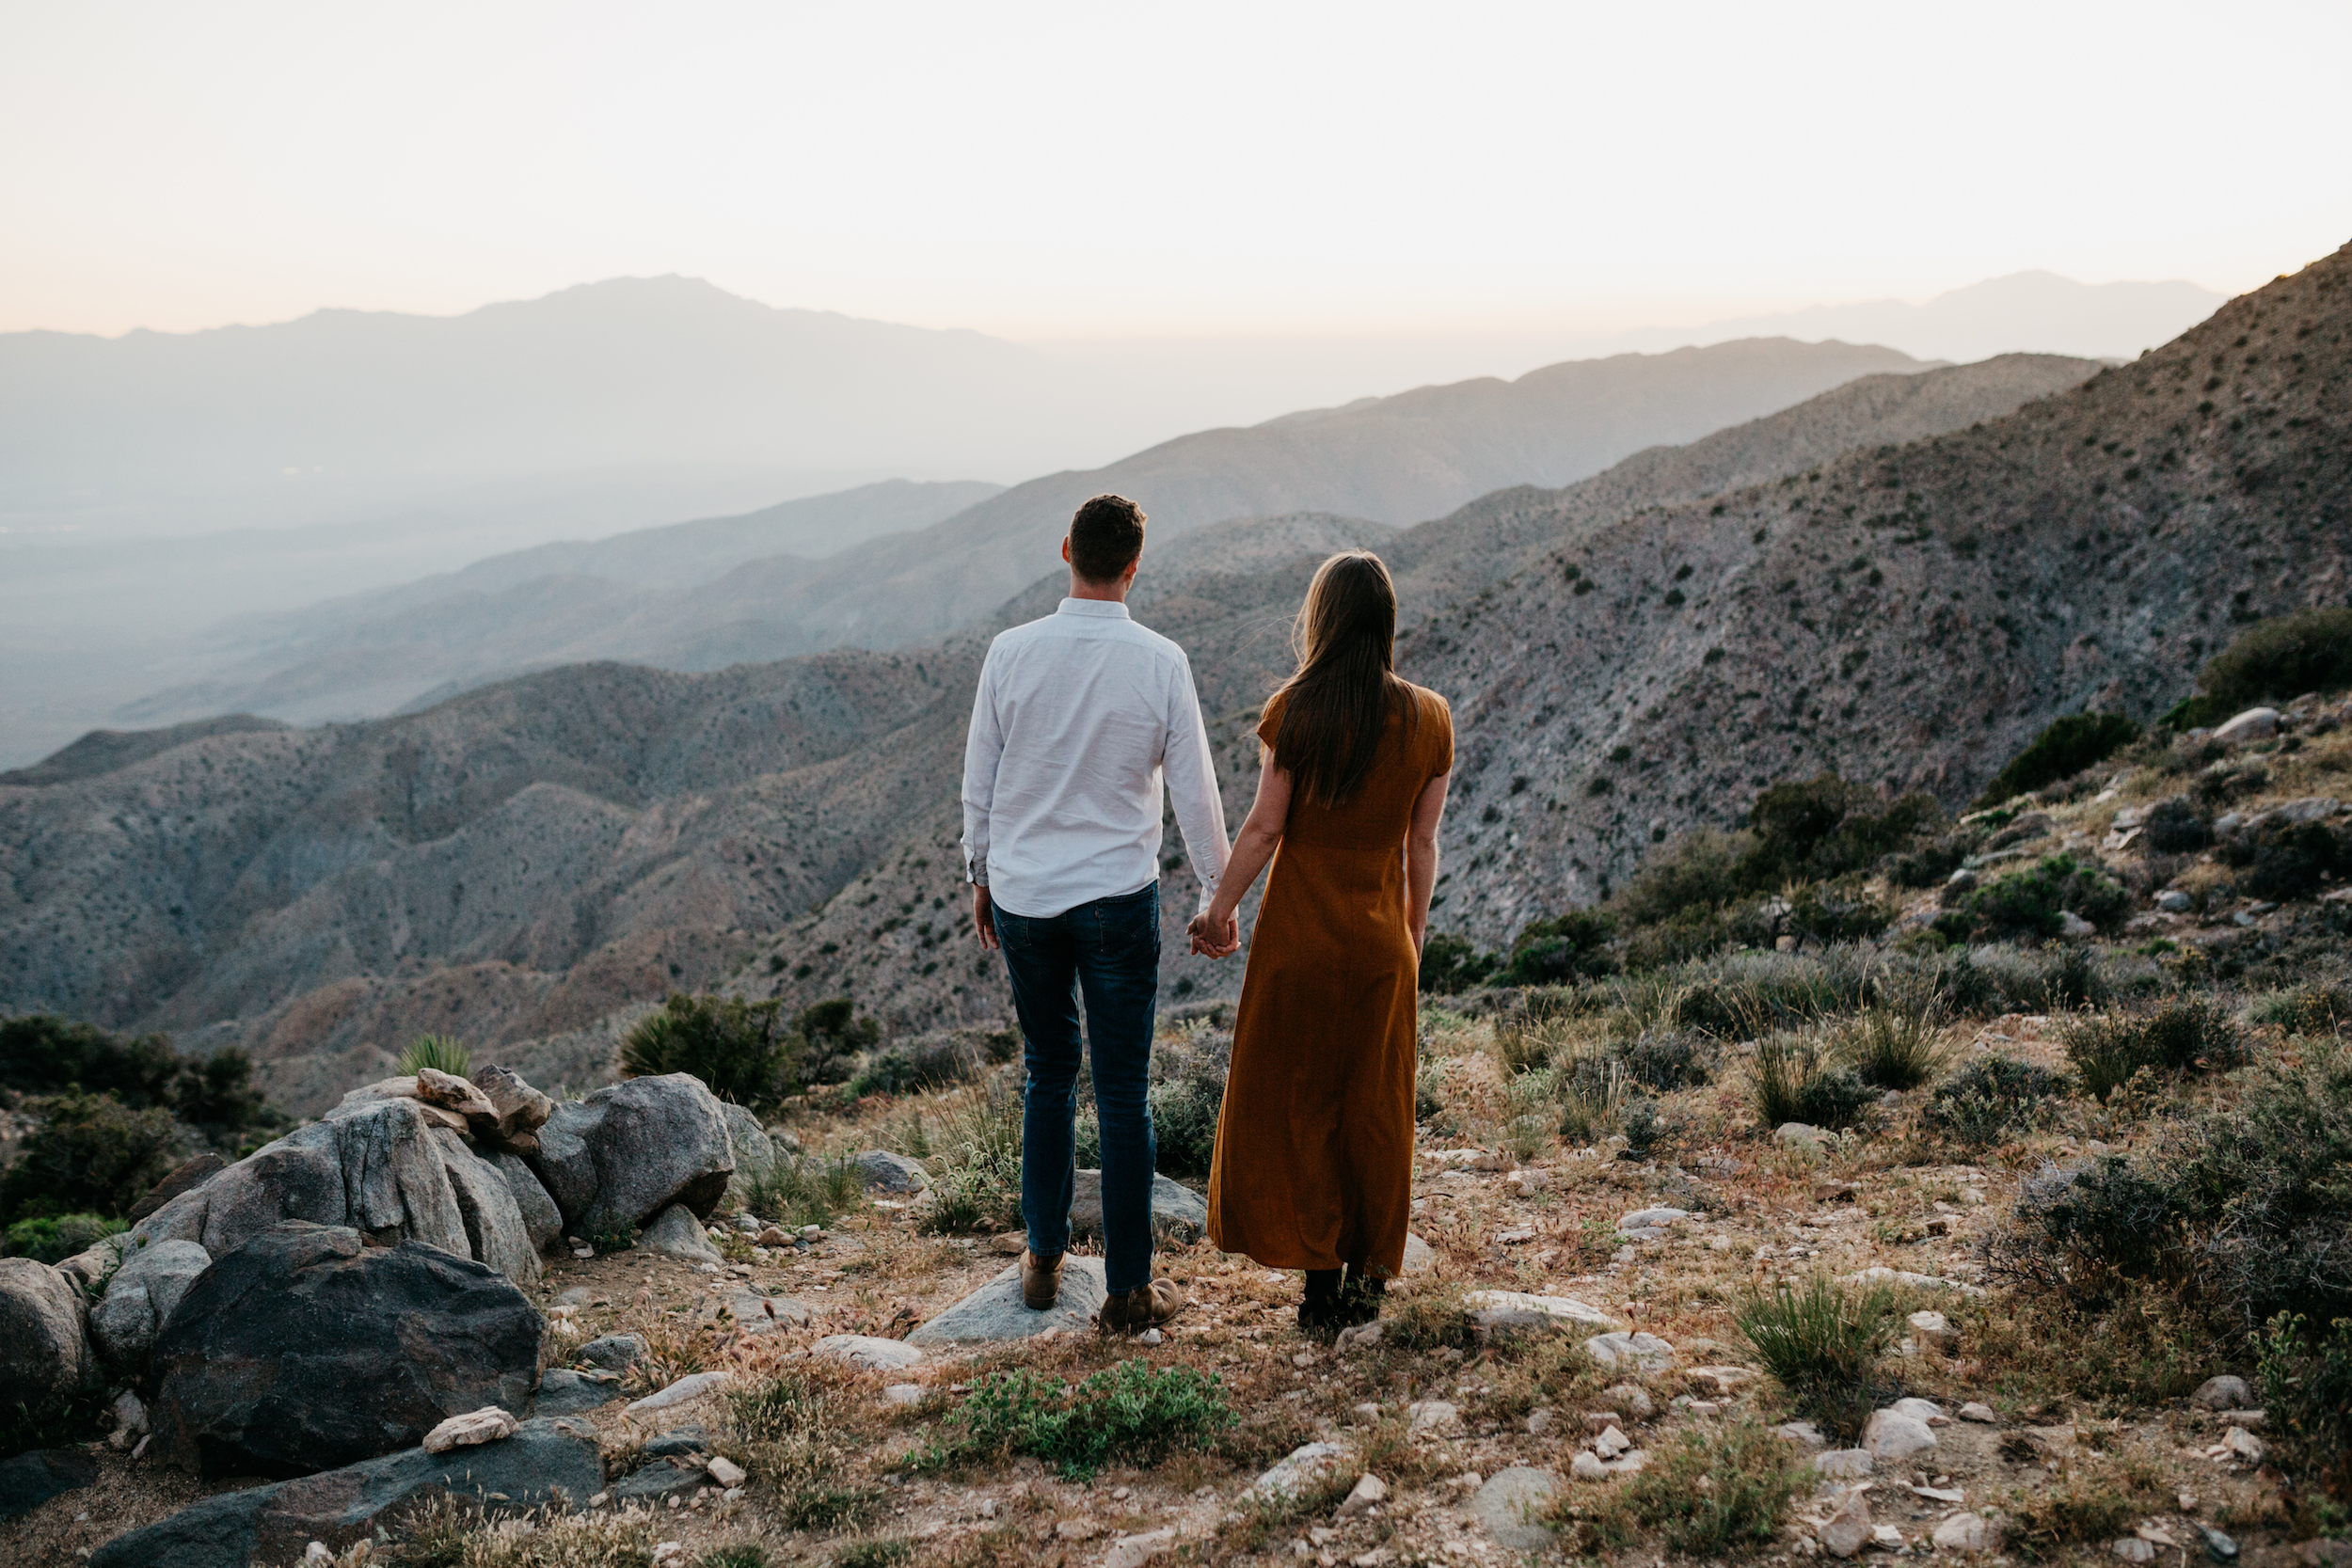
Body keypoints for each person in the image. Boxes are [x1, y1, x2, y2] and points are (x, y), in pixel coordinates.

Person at [961, 493, 1231, 1335]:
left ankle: (1042, 1260)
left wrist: (981, 872)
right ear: (1135, 564)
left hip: (1027, 896)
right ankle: (1128, 1288)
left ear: (1067, 548)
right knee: (1122, 1090)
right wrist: (1217, 898)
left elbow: (982, 777)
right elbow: (1195, 792)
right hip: (1117, 896)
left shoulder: (1010, 652)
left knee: (1047, 1071)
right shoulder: (1161, 662)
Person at [1188, 550, 1451, 1329]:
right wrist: (1411, 937)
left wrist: (1218, 911)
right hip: (1379, 943)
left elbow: (1266, 827)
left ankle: (1318, 1283)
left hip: (1298, 939)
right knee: (1374, 1106)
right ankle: (1371, 1275)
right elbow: (1422, 847)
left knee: (1299, 1101)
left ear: (1322, 620)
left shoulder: (1293, 712)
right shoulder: (1431, 718)